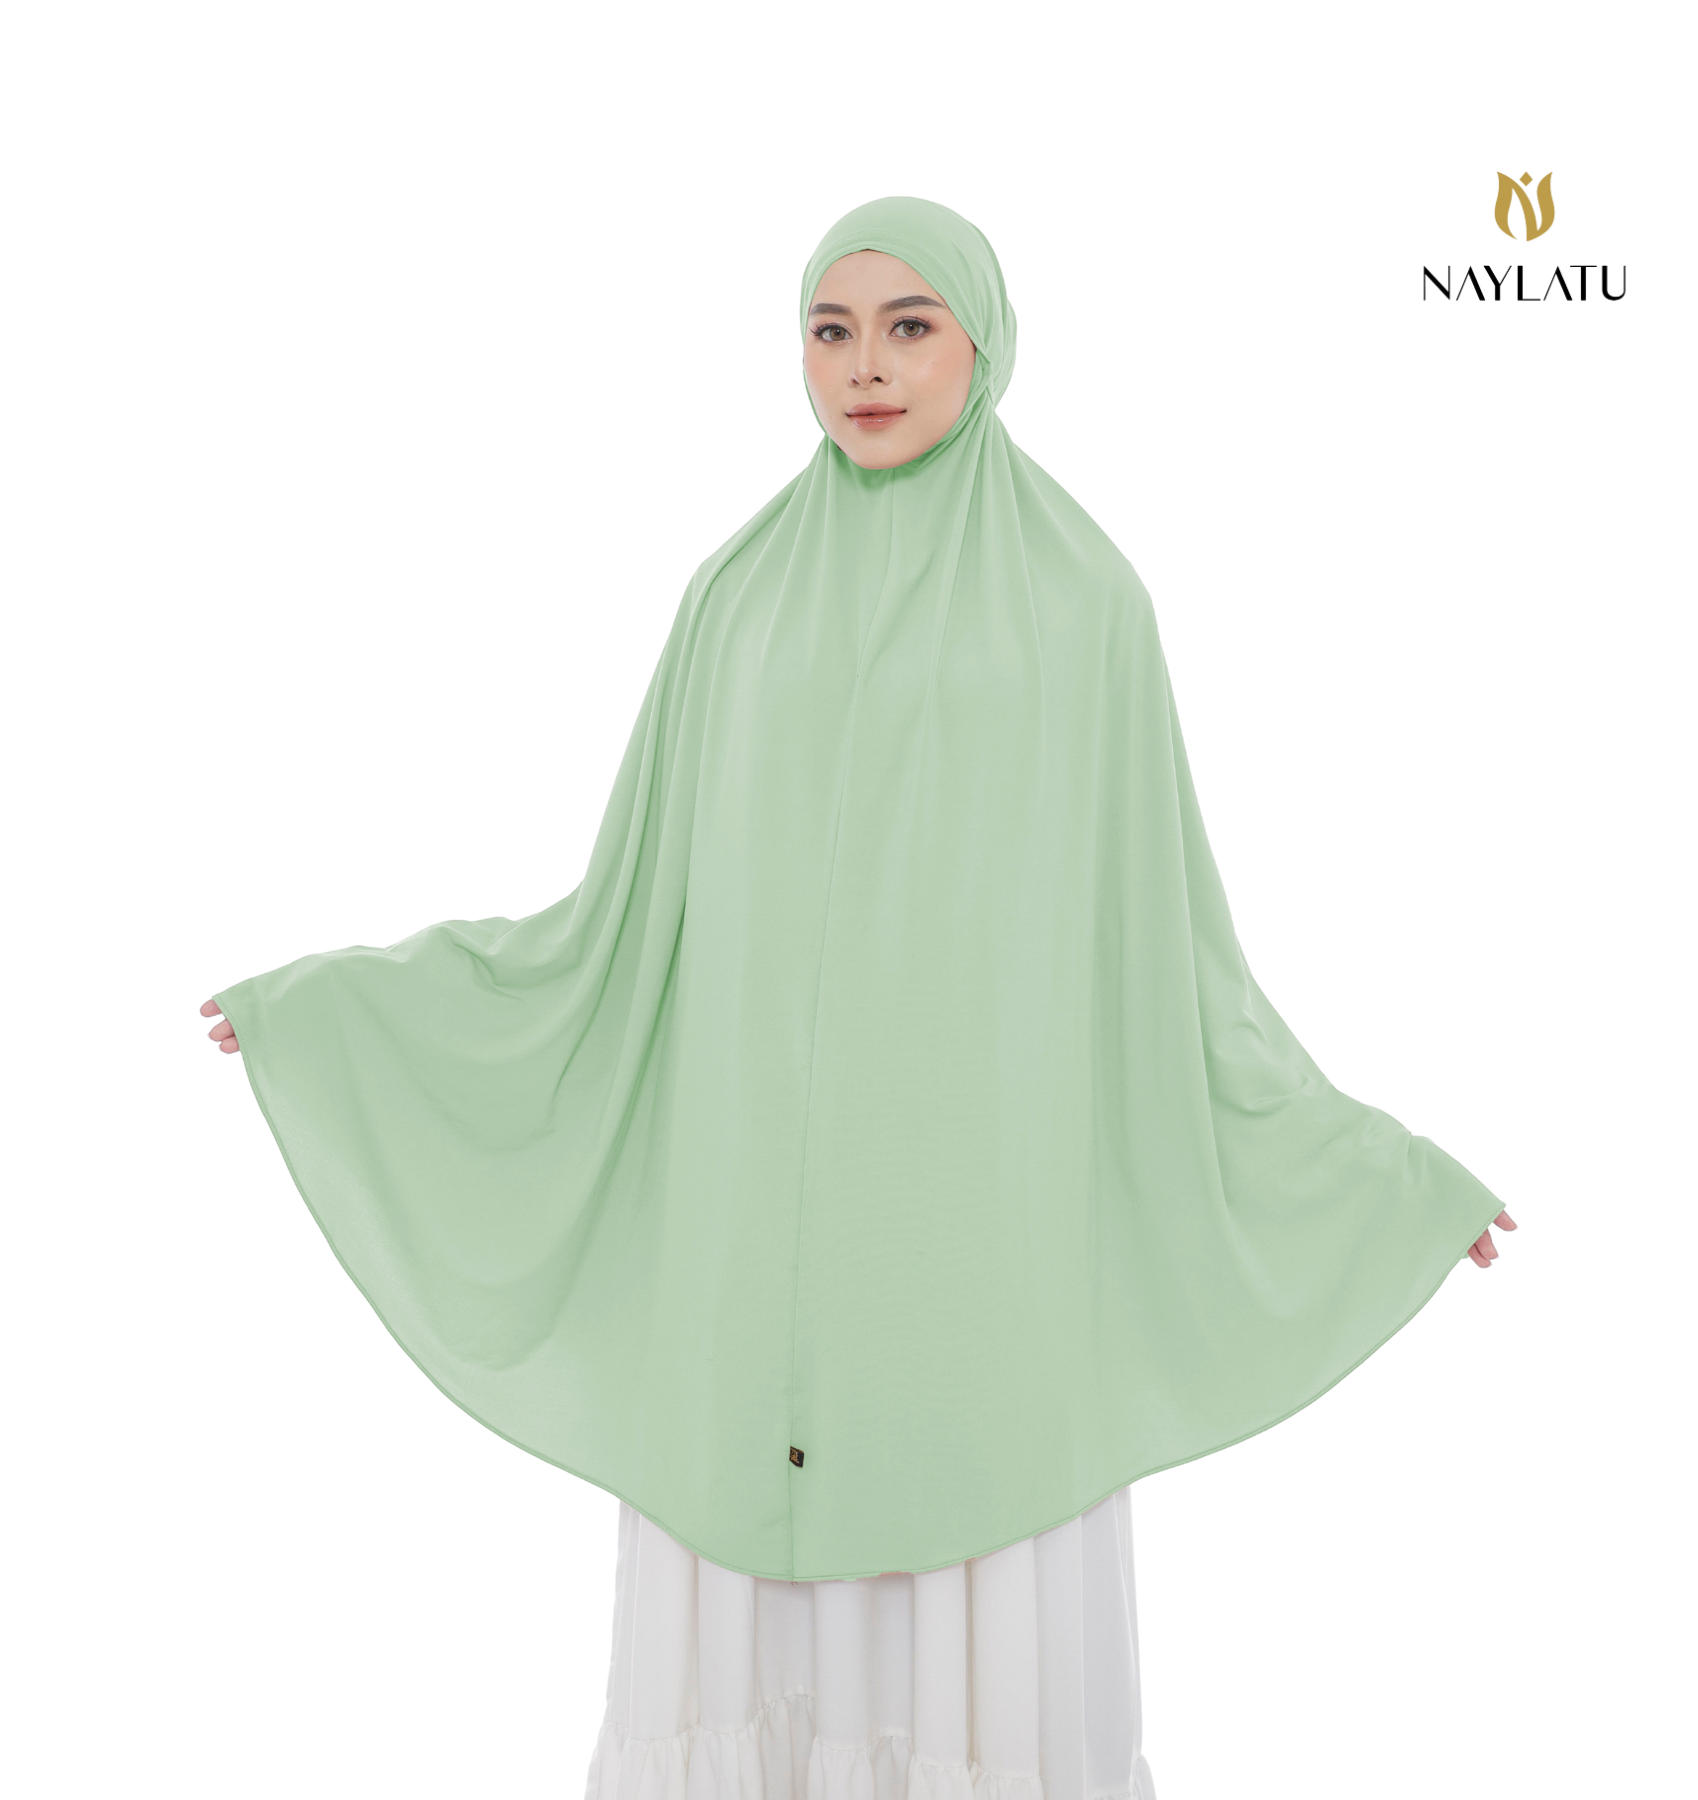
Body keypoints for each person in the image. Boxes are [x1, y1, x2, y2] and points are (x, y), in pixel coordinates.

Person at [204, 197, 1515, 1798]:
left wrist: (1378, 1187)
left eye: (909, 328)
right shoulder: (737, 599)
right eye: (831, 331)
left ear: (984, 345)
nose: (865, 368)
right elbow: (615, 923)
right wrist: (340, 1017)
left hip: (976, 1238)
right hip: (752, 1234)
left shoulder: (1084, 607)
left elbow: (1175, 958)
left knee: (969, 1535)